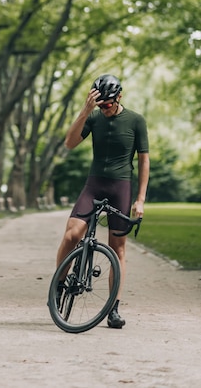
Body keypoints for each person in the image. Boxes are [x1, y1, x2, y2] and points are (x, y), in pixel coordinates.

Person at [56, 73, 150, 329]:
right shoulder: (94, 117)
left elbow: (143, 161)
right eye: (100, 104)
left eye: (108, 104)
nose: (104, 108)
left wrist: (140, 200)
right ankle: (59, 284)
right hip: (94, 184)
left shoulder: (135, 121)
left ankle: (113, 308)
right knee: (71, 235)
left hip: (120, 186)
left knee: (118, 247)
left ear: (119, 96)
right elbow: (70, 143)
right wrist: (85, 111)